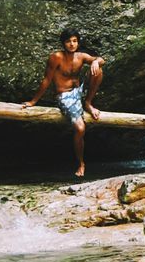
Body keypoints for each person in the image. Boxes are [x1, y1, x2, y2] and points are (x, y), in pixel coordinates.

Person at [20, 28, 105, 177]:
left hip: (79, 92)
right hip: (64, 96)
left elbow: (101, 59)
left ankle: (88, 103)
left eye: (74, 41)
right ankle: (81, 163)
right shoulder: (56, 57)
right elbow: (46, 80)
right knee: (80, 128)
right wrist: (33, 102)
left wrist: (96, 62)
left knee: (98, 71)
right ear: (63, 43)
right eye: (68, 41)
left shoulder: (81, 56)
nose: (72, 44)